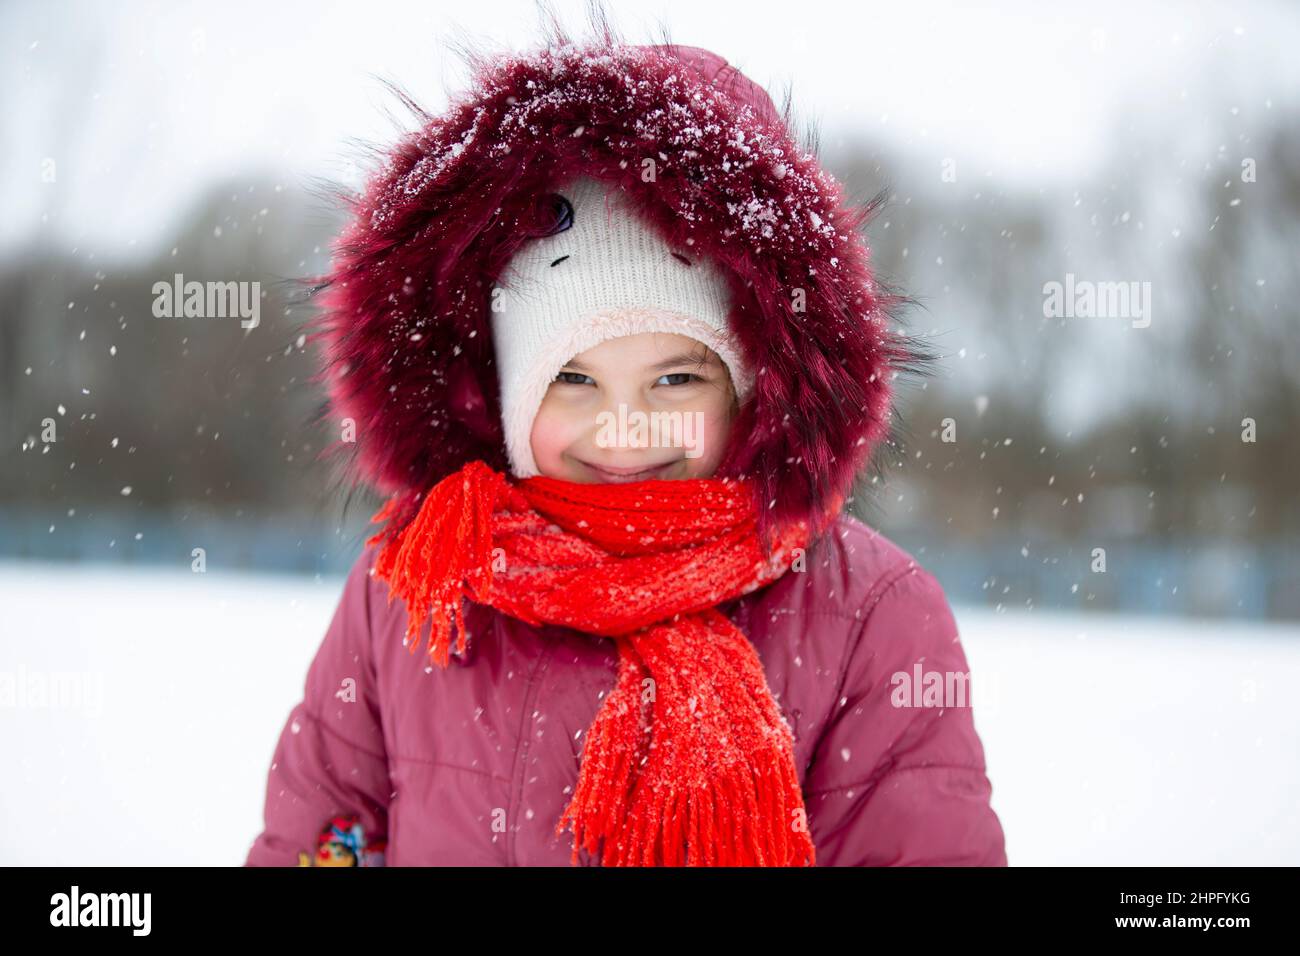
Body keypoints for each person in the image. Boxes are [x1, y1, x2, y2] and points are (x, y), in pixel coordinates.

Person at [244, 21, 1007, 867]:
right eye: (572, 380)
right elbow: (318, 840)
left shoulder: (871, 617)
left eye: (676, 380)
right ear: (504, 392)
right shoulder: (417, 590)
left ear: (754, 390)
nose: (625, 428)